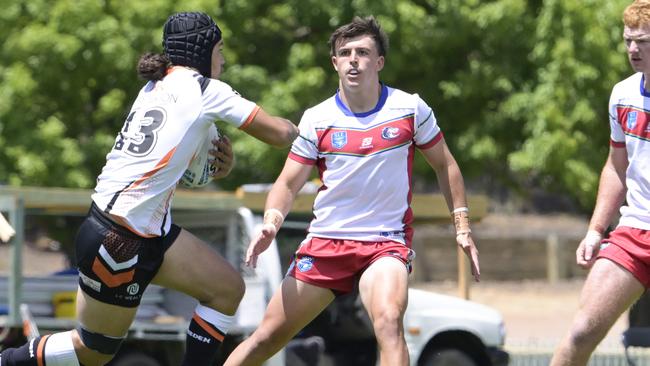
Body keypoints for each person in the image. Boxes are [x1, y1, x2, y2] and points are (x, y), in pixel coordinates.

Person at [0, 11, 298, 366]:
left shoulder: (155, 86)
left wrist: (218, 166)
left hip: (139, 230)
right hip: (119, 241)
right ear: (202, 51)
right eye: (220, 49)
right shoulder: (206, 89)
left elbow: (177, 159)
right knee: (92, 351)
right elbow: (280, 134)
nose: (224, 59)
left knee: (227, 290)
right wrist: (309, 129)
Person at [223, 15, 480, 366]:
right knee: (266, 338)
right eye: (345, 53)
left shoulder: (409, 108)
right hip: (327, 242)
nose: (353, 59)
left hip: (385, 242)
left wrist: (462, 227)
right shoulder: (317, 118)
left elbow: (445, 164)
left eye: (362, 52)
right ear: (334, 63)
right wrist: (271, 222)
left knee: (389, 321)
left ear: (379, 62)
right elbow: (287, 183)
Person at [550, 2, 650, 365]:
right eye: (628, 41)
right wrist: (595, 230)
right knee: (581, 332)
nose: (633, 50)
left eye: (643, 41)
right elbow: (616, 166)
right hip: (635, 230)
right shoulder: (623, 95)